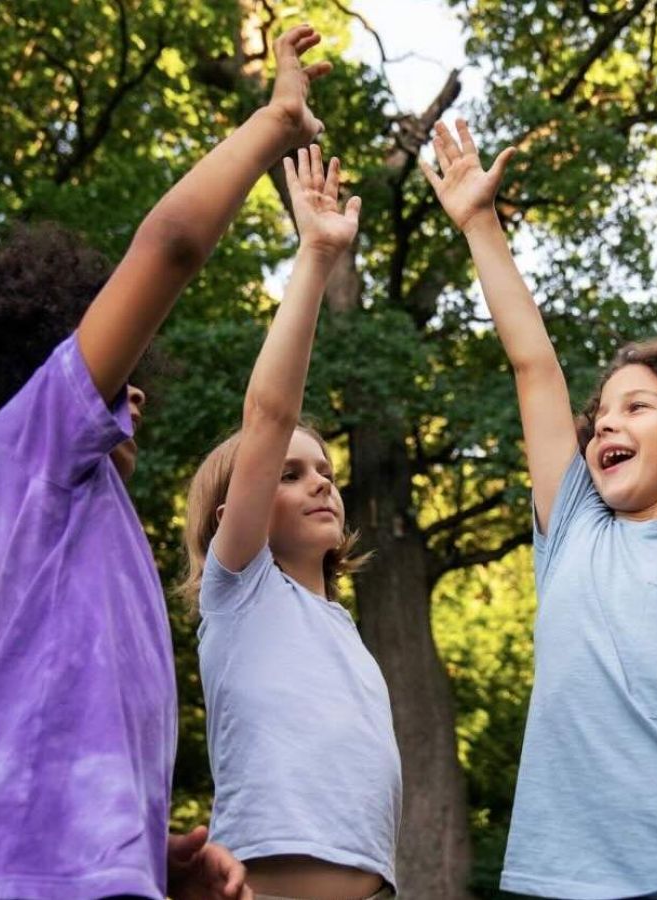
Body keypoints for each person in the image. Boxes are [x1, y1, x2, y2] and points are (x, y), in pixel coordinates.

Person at [0, 25, 335, 899]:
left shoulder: (42, 514)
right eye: (111, 372)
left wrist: (146, 860)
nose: (130, 390)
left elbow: (61, 735)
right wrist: (273, 125)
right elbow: (170, 248)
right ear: (25, 374)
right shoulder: (19, 449)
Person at [421, 118, 657, 900]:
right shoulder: (574, 532)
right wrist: (479, 224)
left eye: (637, 407)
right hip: (567, 881)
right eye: (602, 411)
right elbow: (534, 365)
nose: (606, 421)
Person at [178, 147, 399, 900]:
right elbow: (269, 412)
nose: (321, 485)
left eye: (328, 474)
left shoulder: (338, 629)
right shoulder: (240, 591)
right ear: (232, 510)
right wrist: (316, 255)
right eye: (290, 472)